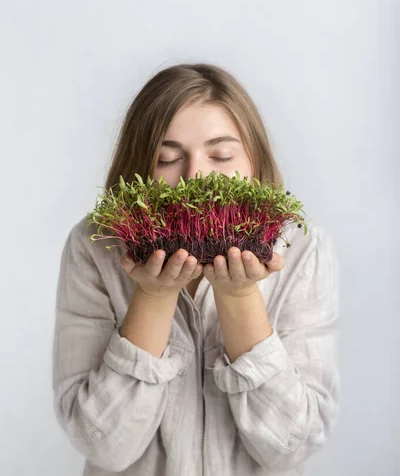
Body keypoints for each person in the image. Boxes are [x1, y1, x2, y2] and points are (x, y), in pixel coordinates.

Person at [52, 63, 340, 476]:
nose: (194, 177)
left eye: (221, 155)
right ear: (138, 169)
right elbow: (104, 446)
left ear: (255, 162)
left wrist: (239, 297)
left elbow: (292, 445)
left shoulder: (302, 248)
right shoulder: (95, 245)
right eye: (167, 158)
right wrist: (152, 296)